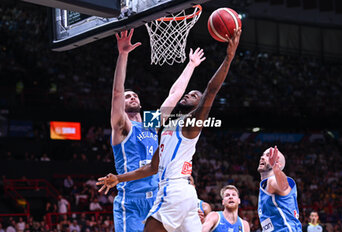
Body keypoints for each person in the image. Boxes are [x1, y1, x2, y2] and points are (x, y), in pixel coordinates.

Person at [97, 29, 242, 232]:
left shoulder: (152, 123)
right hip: (132, 201)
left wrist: (191, 65)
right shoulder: (122, 126)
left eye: (135, 95)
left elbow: (175, 94)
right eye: (128, 96)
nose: (131, 97)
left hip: (160, 194)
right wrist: (123, 55)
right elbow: (117, 93)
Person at [257, 146, 302, 231]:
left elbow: (283, 186)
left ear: (279, 164)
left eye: (268, 155)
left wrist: (275, 167)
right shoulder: (265, 185)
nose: (262, 157)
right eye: (262, 155)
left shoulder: (272, 181)